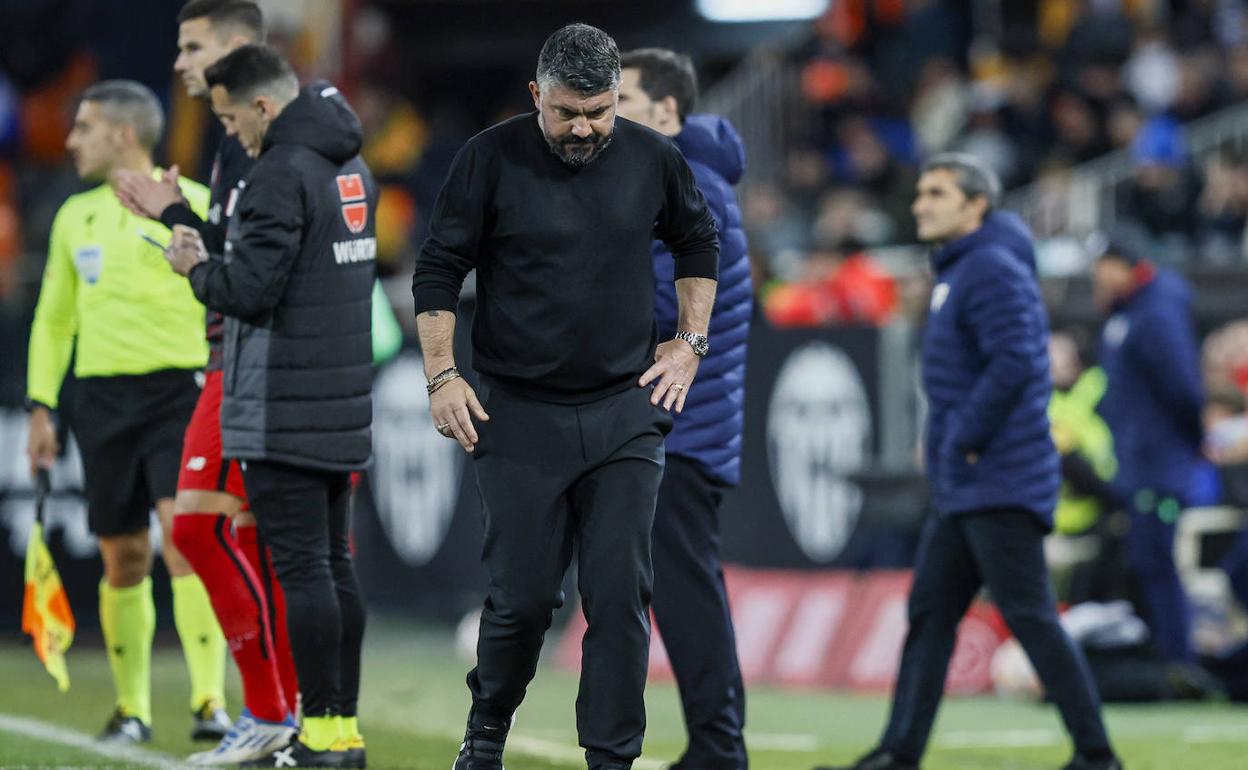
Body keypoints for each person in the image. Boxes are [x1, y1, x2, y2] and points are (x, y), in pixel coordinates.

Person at [412, 23, 719, 770]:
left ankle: (611, 759)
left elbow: (698, 241)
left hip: (623, 414)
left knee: (618, 599)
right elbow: (438, 270)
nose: (583, 127)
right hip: (516, 415)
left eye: (599, 111)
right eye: (566, 112)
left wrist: (689, 342)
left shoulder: (654, 157)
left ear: (618, 98)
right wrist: (443, 375)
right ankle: (486, 732)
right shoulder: (487, 159)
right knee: (521, 602)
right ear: (535, 97)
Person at [814, 154, 1120, 770]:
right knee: (930, 616)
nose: (921, 203)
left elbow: (1019, 364)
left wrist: (965, 437)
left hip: (998, 479)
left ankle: (1097, 755)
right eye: (921, 192)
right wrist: (955, 443)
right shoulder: (962, 268)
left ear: (976, 205)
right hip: (969, 482)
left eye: (937, 194)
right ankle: (897, 754)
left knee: (1030, 617)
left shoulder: (991, 269)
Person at [165, 44, 376, 768]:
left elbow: (251, 290)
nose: (236, 136)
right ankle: (341, 733)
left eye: (232, 118)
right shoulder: (351, 163)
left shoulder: (279, 170)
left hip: (284, 401)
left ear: (261, 105)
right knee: (336, 571)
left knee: (304, 573)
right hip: (342, 399)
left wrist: (196, 267)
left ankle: (314, 737)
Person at [113, 2, 300, 762]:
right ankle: (285, 715)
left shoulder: (272, 142)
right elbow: (242, 245)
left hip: (253, 359)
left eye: (194, 47)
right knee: (248, 541)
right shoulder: (235, 140)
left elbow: (263, 268)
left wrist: (186, 238)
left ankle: (280, 711)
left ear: (237, 47)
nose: (182, 61)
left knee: (198, 530)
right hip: (238, 354)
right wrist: (184, 218)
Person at [24, 80, 228, 744]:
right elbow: (54, 321)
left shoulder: (194, 206)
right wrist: (41, 408)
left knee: (187, 543)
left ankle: (208, 702)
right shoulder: (72, 216)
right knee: (126, 557)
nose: (71, 138)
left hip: (180, 393)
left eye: (83, 126)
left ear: (124, 134)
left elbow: (230, 298)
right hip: (102, 401)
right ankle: (133, 707)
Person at [616, 47, 750, 770]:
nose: (606, 117)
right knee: (681, 590)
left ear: (667, 112)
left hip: (680, 423)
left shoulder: (689, 186)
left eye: (624, 101)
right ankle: (716, 745)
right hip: (678, 420)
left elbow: (668, 305)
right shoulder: (682, 179)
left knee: (686, 593)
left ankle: (719, 749)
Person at [1093, 233, 1204, 663]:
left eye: (1101, 267)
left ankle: (1180, 663)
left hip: (1158, 464)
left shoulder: (1155, 313)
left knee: (1158, 562)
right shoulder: (1127, 313)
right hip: (1139, 462)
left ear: (1123, 263)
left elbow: (1182, 389)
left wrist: (1184, 447)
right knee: (1146, 562)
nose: (1096, 278)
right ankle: (1166, 658)